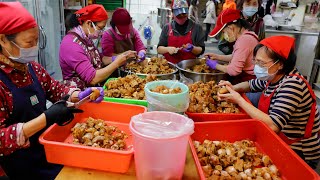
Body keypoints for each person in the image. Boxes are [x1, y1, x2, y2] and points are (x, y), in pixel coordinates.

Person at [0, 2, 104, 179]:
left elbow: (57, 90)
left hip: (48, 149)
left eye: (37, 41)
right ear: (3, 40)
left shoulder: (32, 68)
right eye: (28, 42)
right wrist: (46, 118)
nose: (34, 46)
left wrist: (79, 94)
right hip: (22, 164)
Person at [218, 36, 320, 169]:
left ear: (280, 64)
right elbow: (250, 84)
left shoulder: (292, 84)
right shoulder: (272, 77)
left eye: (262, 63)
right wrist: (231, 87)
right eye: (256, 62)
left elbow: (273, 125)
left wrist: (238, 99)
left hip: (299, 152)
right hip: (278, 139)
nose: (257, 67)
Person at [59, 5, 136, 89]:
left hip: (93, 91)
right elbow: (92, 78)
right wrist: (116, 63)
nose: (102, 33)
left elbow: (100, 59)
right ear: (89, 23)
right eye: (100, 28)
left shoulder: (86, 39)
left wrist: (121, 56)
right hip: (78, 96)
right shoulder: (71, 44)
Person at [205, 9, 258, 84]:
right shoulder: (248, 35)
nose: (224, 35)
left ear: (231, 27)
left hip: (249, 83)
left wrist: (215, 65)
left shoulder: (244, 40)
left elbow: (234, 70)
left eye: (224, 32)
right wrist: (217, 57)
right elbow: (236, 56)